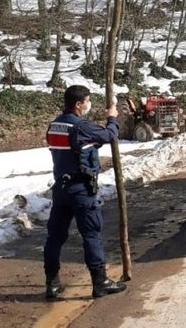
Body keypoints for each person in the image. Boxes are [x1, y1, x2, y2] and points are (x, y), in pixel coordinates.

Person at [43, 85, 127, 299]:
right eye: (88, 100)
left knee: (55, 237)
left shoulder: (54, 126)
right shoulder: (81, 127)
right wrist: (112, 117)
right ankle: (100, 282)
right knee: (91, 234)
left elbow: (78, 147)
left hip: (60, 189)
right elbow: (109, 134)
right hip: (81, 189)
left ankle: (52, 283)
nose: (90, 104)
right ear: (78, 104)